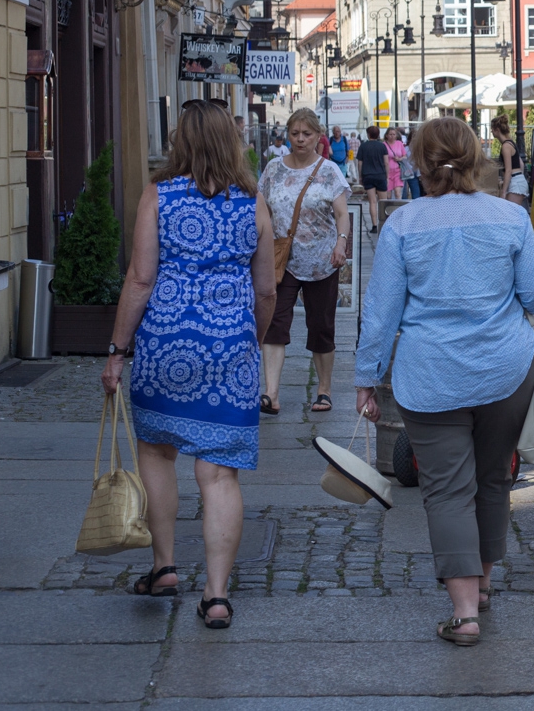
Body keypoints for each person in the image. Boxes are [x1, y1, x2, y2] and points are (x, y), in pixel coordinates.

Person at [354, 117, 534, 647]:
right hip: (505, 370)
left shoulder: (403, 224)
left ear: (417, 163)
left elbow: (381, 312)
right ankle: (483, 584)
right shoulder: (509, 217)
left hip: (431, 375)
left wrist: (366, 377)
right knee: (493, 477)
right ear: (477, 159)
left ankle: (464, 614)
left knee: (446, 490)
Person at [100, 97, 276, 629]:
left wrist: (117, 351)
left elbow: (140, 279)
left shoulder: (159, 195)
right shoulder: (253, 202)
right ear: (232, 141)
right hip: (229, 348)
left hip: (165, 344)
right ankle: (216, 596)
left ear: (180, 140)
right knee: (218, 474)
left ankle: (164, 567)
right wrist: (248, 340)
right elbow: (266, 290)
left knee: (157, 453)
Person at [259, 108, 350, 416]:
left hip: (322, 260)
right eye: (295, 133)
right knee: (274, 322)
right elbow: (262, 209)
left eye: (306, 134)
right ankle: (271, 393)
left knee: (321, 326)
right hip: (281, 260)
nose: (300, 139)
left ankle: (324, 389)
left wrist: (341, 242)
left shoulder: (330, 171)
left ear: (318, 136)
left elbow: (342, 214)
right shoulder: (273, 169)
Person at [355, 125, 389, 233]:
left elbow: (360, 163)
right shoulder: (382, 146)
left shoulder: (363, 146)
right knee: (383, 202)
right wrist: (387, 176)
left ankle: (374, 225)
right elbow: (386, 162)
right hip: (380, 175)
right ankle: (384, 225)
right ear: (378, 134)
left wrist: (360, 176)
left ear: (368, 134)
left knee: (372, 202)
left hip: (368, 175)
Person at [489, 113, 527, 207]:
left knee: (509, 210)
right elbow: (521, 164)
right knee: (511, 211)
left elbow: (508, 170)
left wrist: (503, 192)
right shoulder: (511, 143)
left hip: (515, 182)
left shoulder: (505, 146)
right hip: (518, 180)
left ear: (497, 130)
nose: (491, 131)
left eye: (492, 129)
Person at [383, 127, 408, 201]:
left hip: (398, 171)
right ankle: (390, 208)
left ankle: (398, 207)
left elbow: (405, 156)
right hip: (387, 173)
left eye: (394, 134)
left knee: (397, 193)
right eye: (390, 134)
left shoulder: (399, 143)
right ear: (387, 135)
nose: (392, 136)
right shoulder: (383, 145)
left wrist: (399, 159)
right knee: (388, 195)